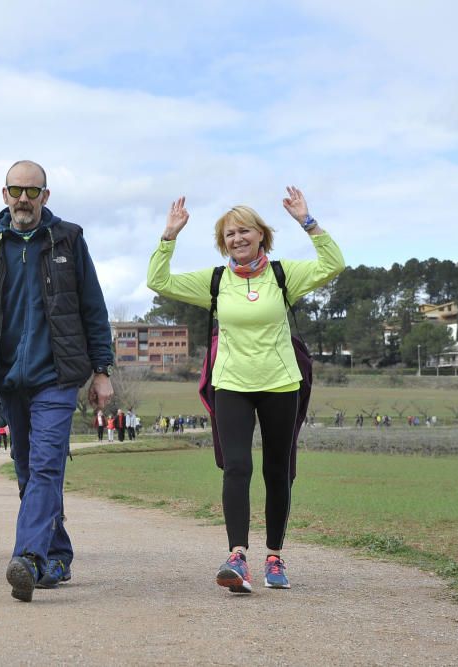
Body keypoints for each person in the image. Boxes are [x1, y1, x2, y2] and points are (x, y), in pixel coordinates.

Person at [146, 187, 344, 593]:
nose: (237, 239)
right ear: (223, 243)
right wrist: (169, 236)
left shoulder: (284, 275)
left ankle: (274, 558)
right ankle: (237, 556)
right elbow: (157, 280)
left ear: (260, 235)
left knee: (277, 471)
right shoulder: (215, 281)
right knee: (237, 467)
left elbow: (333, 262)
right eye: (229, 235)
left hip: (281, 384)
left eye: (245, 231)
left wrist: (308, 221)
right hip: (231, 384)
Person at [0, 160, 114, 602]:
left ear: (46, 196)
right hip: (8, 379)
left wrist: (102, 369)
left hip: (57, 375)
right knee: (26, 467)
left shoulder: (69, 240)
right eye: (16, 190)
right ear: (4, 195)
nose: (24, 198)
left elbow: (93, 307)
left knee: (45, 464)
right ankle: (57, 555)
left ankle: (29, 557)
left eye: (32, 191)